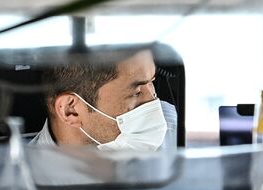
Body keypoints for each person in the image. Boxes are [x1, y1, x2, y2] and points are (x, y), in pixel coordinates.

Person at [31, 48, 173, 152]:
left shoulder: (175, 127)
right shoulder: (23, 181)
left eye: (151, 82)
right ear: (71, 110)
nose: (155, 103)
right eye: (135, 93)